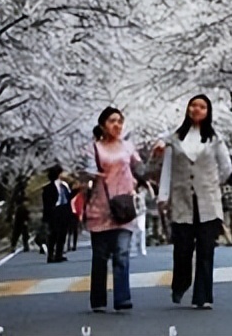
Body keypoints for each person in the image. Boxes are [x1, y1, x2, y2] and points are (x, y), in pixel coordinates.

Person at [158, 94, 232, 310]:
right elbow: (167, 169)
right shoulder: (174, 139)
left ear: (208, 111)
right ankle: (181, 283)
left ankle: (203, 295)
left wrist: (211, 184)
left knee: (206, 249)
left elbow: (226, 167)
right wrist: (164, 196)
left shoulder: (214, 139)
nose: (197, 109)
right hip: (182, 200)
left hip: (208, 202)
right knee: (182, 248)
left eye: (202, 106)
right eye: (193, 105)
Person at [83, 106, 144, 313]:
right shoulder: (94, 148)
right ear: (102, 125)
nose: (116, 125)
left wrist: (157, 157)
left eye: (119, 121)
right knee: (100, 257)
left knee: (122, 253)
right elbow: (87, 170)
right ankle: (98, 300)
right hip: (100, 208)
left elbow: (141, 169)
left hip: (123, 207)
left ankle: (122, 298)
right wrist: (90, 175)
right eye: (112, 121)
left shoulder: (128, 147)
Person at [42, 165, 72, 264]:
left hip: (64, 211)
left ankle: (59, 254)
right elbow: (46, 204)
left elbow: (69, 198)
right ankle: (50, 255)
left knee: (63, 233)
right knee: (53, 234)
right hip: (55, 211)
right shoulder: (48, 188)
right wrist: (46, 217)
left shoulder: (65, 185)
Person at [68, 184, 86, 252]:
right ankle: (70, 244)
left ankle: (73, 245)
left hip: (74, 214)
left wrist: (80, 214)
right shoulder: (74, 196)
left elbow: (80, 206)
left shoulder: (78, 196)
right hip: (72, 214)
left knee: (74, 230)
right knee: (71, 230)